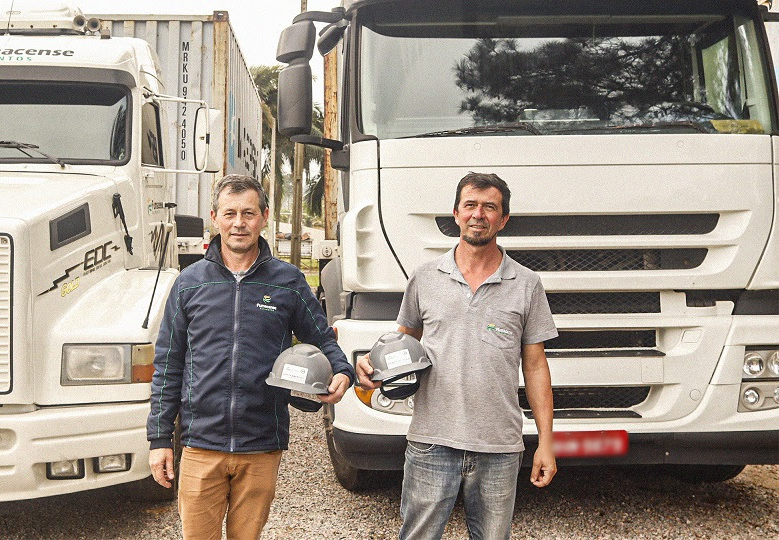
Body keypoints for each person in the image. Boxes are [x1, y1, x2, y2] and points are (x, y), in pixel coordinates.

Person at [148, 174, 355, 540]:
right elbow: (168, 364)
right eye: (229, 213)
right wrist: (161, 438)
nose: (239, 223)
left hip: (261, 443)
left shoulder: (287, 281)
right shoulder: (189, 282)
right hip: (200, 443)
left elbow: (322, 337)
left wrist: (342, 370)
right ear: (215, 217)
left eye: (248, 213)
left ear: (264, 216)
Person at [356, 172, 558, 540]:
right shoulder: (425, 277)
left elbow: (536, 366)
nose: (478, 214)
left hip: (498, 447)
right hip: (432, 441)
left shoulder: (527, 284)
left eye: (489, 207)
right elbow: (402, 343)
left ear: (503, 219)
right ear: (456, 213)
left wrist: (546, 441)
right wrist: (371, 363)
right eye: (470, 205)